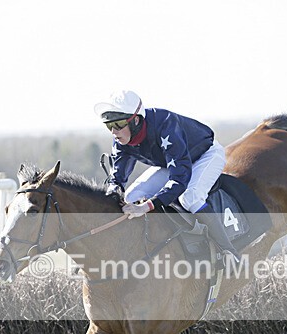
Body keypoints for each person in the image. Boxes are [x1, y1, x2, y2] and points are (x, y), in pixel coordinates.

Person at [94, 90, 240, 261]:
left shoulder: (165, 125)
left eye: (118, 124)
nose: (114, 131)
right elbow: (117, 179)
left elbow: (179, 179)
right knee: (131, 197)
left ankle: (229, 251)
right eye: (109, 125)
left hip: (205, 156)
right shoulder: (120, 140)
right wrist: (110, 196)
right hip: (172, 162)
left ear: (135, 120)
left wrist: (148, 206)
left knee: (190, 197)